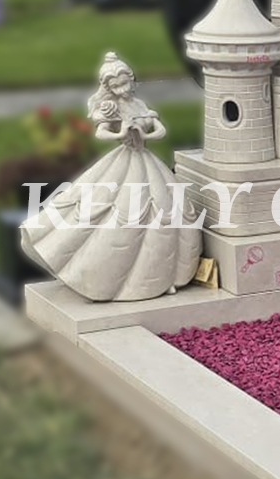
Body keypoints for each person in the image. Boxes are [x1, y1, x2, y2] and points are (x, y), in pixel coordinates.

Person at [21, 52, 202, 301]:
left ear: (132, 79)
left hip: (145, 160)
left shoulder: (139, 105)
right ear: (107, 87)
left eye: (125, 83)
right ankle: (100, 277)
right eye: (116, 86)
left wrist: (145, 135)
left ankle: (162, 277)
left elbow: (159, 129)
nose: (122, 89)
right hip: (124, 160)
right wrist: (121, 133)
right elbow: (101, 133)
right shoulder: (111, 107)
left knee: (164, 212)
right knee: (117, 213)